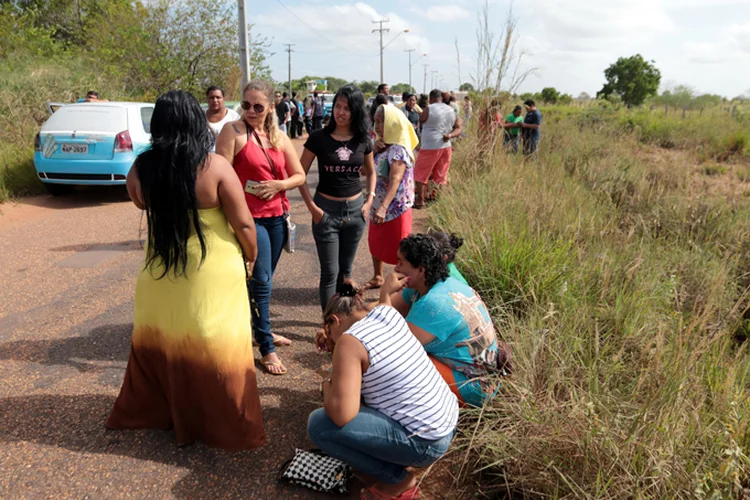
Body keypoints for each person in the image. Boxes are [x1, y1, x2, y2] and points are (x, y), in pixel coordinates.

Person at [107, 90, 265, 450]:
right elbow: (243, 225)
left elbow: (138, 201)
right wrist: (251, 256)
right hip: (212, 270)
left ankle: (166, 413)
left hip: (160, 268)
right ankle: (222, 421)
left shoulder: (141, 168)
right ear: (195, 120)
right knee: (216, 345)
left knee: (162, 340)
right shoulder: (215, 166)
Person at [309, 283, 458, 500]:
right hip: (446, 421)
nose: (330, 338)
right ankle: (391, 458)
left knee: (319, 425)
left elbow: (342, 415)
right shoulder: (385, 312)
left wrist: (326, 382)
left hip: (428, 442)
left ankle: (398, 480)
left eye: (329, 332)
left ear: (335, 320)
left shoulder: (349, 342)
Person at [216, 80, 306, 375]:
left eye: (258, 106)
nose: (251, 111)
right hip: (249, 219)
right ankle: (266, 345)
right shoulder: (234, 131)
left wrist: (279, 185)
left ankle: (256, 330)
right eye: (245, 105)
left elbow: (300, 175)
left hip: (278, 217)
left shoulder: (278, 136)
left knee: (262, 280)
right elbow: (221, 174)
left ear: (270, 106)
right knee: (263, 282)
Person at [383, 234, 505, 407]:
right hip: (486, 380)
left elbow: (389, 350)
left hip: (475, 391)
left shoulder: (434, 303)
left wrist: (384, 294)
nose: (396, 268)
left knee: (398, 366)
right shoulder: (441, 284)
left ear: (421, 270)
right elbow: (390, 310)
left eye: (401, 262)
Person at [299, 84, 376, 311]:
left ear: (356, 112)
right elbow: (298, 174)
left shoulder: (363, 140)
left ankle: (345, 322)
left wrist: (369, 201)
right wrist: (312, 208)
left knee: (346, 272)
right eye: (337, 107)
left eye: (347, 108)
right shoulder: (318, 138)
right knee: (329, 273)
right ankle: (328, 326)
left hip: (355, 212)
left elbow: (371, 172)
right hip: (325, 212)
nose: (340, 112)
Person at [367, 104, 419, 288]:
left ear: (393, 123)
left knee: (401, 248)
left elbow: (395, 179)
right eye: (376, 121)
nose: (378, 126)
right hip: (379, 203)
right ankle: (378, 277)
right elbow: (363, 171)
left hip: (395, 208)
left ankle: (401, 284)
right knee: (375, 243)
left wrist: (383, 207)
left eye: (382, 121)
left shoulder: (398, 149)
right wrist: (373, 151)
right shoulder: (382, 146)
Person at [413, 89, 462, 208]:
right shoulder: (451, 110)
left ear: (431, 98)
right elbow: (459, 128)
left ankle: (420, 201)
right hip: (446, 146)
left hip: (430, 145)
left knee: (421, 172)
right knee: (441, 173)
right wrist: (450, 135)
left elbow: (421, 120)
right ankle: (437, 199)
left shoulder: (429, 108)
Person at [205, 86, 240, 152]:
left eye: (218, 97)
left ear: (223, 99)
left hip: (227, 157)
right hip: (205, 159)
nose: (215, 100)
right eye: (211, 97)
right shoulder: (200, 116)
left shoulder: (233, 117)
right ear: (207, 99)